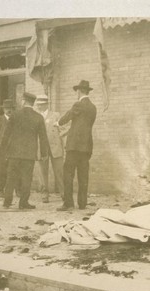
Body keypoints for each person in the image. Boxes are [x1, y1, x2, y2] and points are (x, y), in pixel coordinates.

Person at [0, 92, 49, 209]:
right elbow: (43, 137)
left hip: (14, 153)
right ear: (33, 103)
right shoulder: (38, 117)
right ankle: (23, 203)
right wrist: (44, 153)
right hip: (29, 154)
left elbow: (6, 135)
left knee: (11, 177)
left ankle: (7, 202)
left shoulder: (15, 115)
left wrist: (1, 151)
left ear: (24, 101)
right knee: (27, 178)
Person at [56, 80, 97, 211]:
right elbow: (82, 125)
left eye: (76, 92)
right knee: (83, 175)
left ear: (79, 91)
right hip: (86, 147)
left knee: (68, 174)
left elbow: (66, 118)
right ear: (88, 91)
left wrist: (58, 123)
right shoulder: (93, 107)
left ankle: (68, 203)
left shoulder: (78, 105)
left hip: (74, 147)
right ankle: (82, 203)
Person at [34, 94, 67, 203]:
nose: (39, 107)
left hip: (55, 147)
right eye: (38, 105)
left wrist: (61, 140)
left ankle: (64, 194)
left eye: (41, 105)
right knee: (42, 172)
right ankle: (45, 195)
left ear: (46, 104)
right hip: (41, 148)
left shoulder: (56, 115)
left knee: (59, 171)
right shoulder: (35, 116)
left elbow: (64, 128)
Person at [0, 99, 14, 197]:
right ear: (3, 109)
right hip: (1, 149)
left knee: (14, 169)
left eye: (10, 108)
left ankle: (17, 190)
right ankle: (0, 189)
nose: (8, 110)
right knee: (1, 170)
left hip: (14, 149)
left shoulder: (16, 119)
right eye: (6, 108)